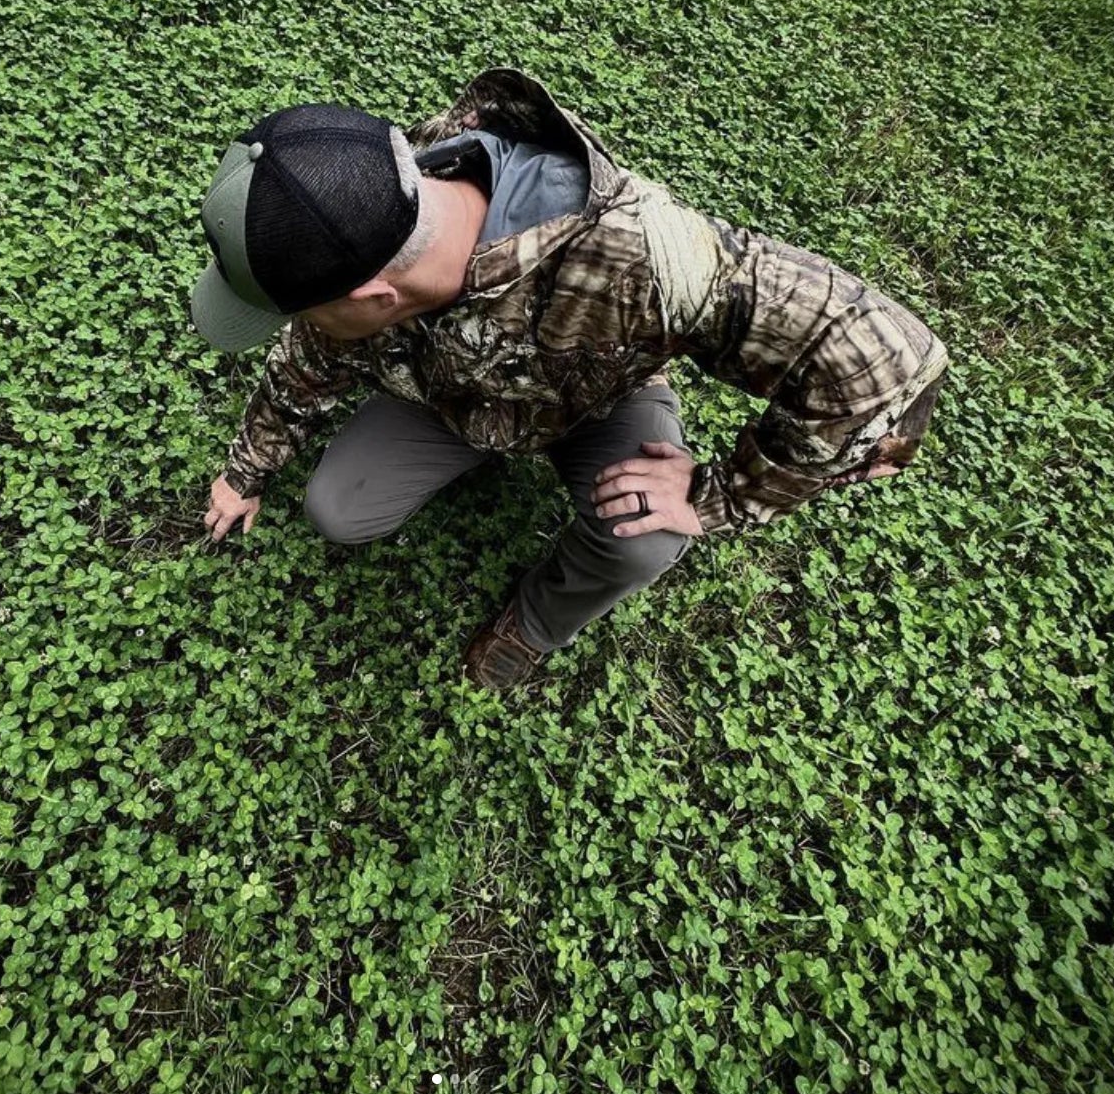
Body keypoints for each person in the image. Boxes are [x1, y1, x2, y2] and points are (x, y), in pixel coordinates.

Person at [191, 67, 948, 691]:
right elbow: (311, 358)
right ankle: (475, 446)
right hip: (444, 397)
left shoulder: (636, 254)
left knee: (642, 540)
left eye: (308, 312)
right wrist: (247, 471)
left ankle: (538, 621)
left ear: (373, 300)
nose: (302, 328)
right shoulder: (372, 209)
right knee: (339, 508)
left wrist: (724, 494)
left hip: (597, 402)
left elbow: (885, 360)